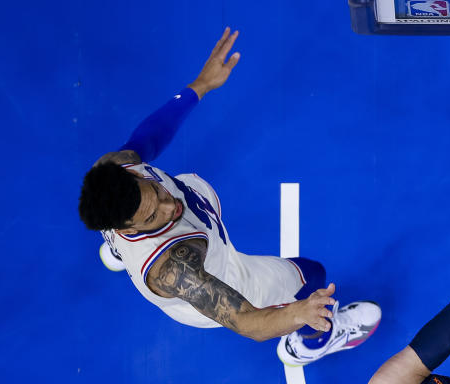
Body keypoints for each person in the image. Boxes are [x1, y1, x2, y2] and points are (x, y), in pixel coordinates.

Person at [77, 28, 380, 365]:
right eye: (152, 217)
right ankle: (311, 343)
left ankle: (119, 251)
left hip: (175, 230)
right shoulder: (176, 269)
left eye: (156, 193)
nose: (169, 206)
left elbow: (146, 140)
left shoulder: (113, 169)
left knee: (184, 194)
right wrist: (299, 312)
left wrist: (200, 86)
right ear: (128, 226)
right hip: (224, 274)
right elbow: (249, 322)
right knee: (312, 275)